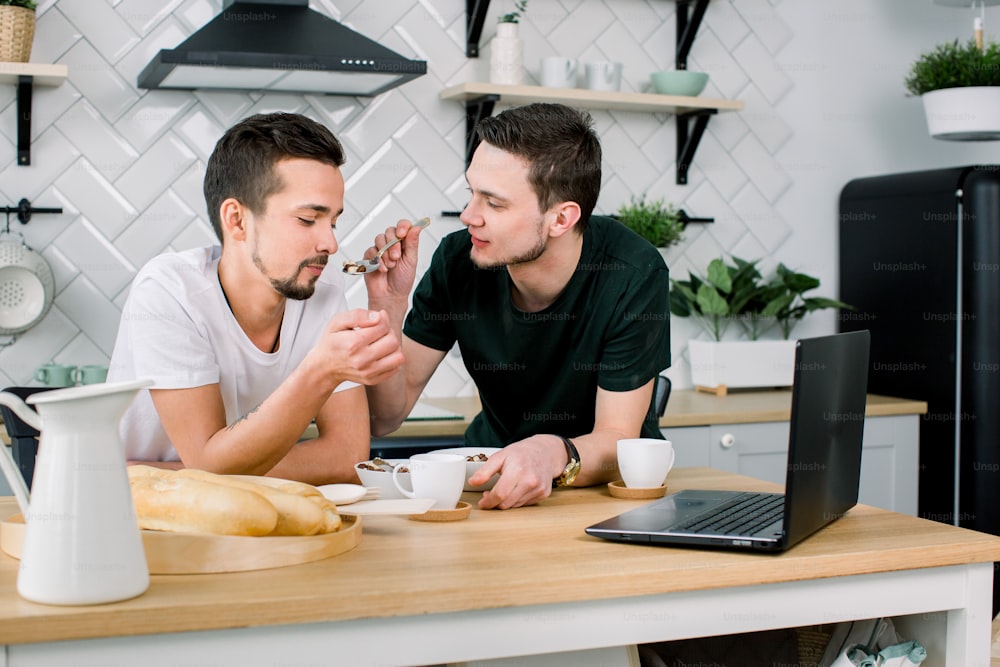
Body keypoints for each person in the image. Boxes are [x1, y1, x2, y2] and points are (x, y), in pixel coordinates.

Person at [362, 103, 671, 510]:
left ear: (561, 219)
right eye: (471, 192)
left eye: (494, 203)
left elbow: (618, 437)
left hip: (596, 495)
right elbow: (386, 417)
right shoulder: (459, 261)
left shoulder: (633, 273)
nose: (469, 215)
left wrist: (553, 451)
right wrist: (387, 307)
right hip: (488, 481)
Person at [107, 112, 404, 484]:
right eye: (308, 219)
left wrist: (183, 472)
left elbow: (347, 458)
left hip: (240, 512)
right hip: (138, 519)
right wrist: (322, 370)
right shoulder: (169, 292)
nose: (330, 243)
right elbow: (208, 460)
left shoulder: (321, 288)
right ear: (237, 220)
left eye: (333, 221)